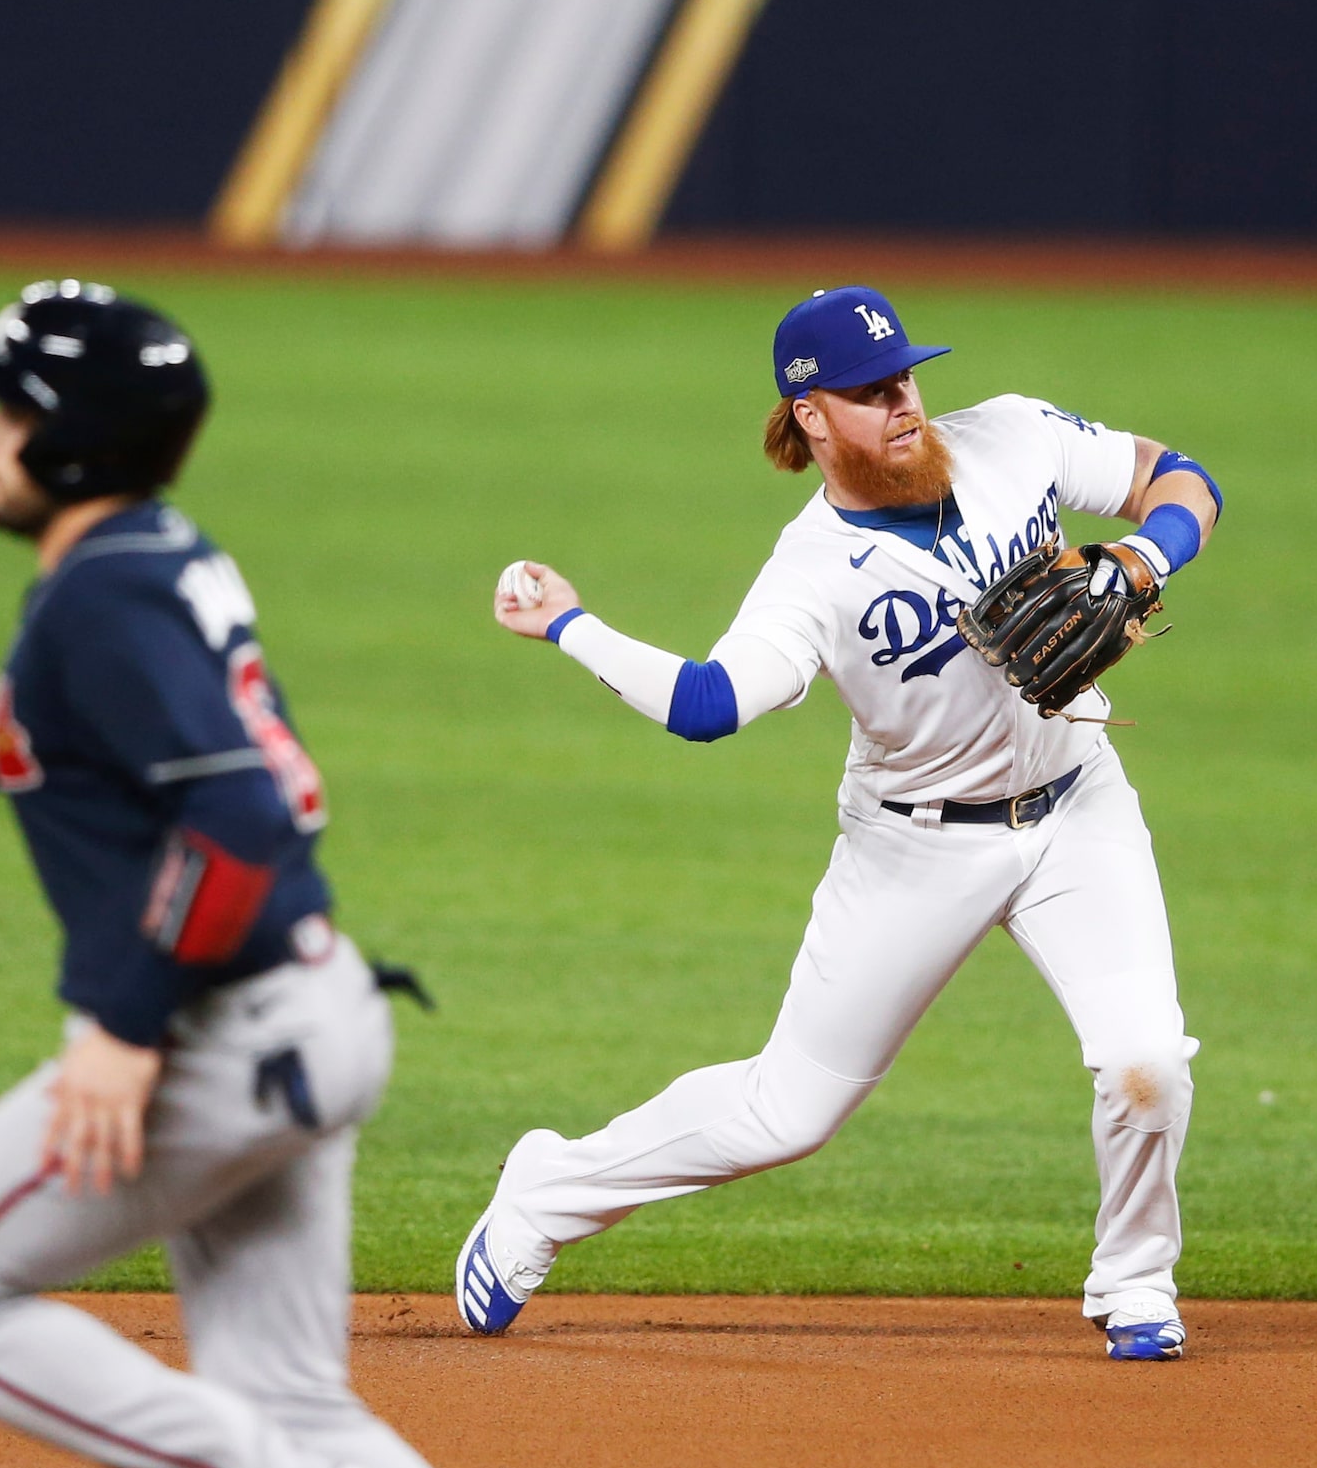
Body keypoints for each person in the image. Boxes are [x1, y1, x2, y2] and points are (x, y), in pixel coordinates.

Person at [0, 281, 640, 1468]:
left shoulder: (93, 592)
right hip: (313, 1012)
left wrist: (118, 1031)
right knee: (296, 1396)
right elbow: (230, 762)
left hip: (223, 1034)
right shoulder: (154, 556)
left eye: (9, 408)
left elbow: (238, 814)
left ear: (71, 442)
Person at [460, 285, 1225, 1361]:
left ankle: (1135, 1282)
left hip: (1077, 805)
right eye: (869, 392)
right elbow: (707, 705)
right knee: (786, 1116)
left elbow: (1180, 478)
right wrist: (569, 625)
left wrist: (1143, 556)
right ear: (812, 415)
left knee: (1147, 1061)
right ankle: (548, 1189)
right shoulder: (810, 572)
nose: (901, 402)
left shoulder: (1014, 434)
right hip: (914, 847)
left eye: (904, 376)